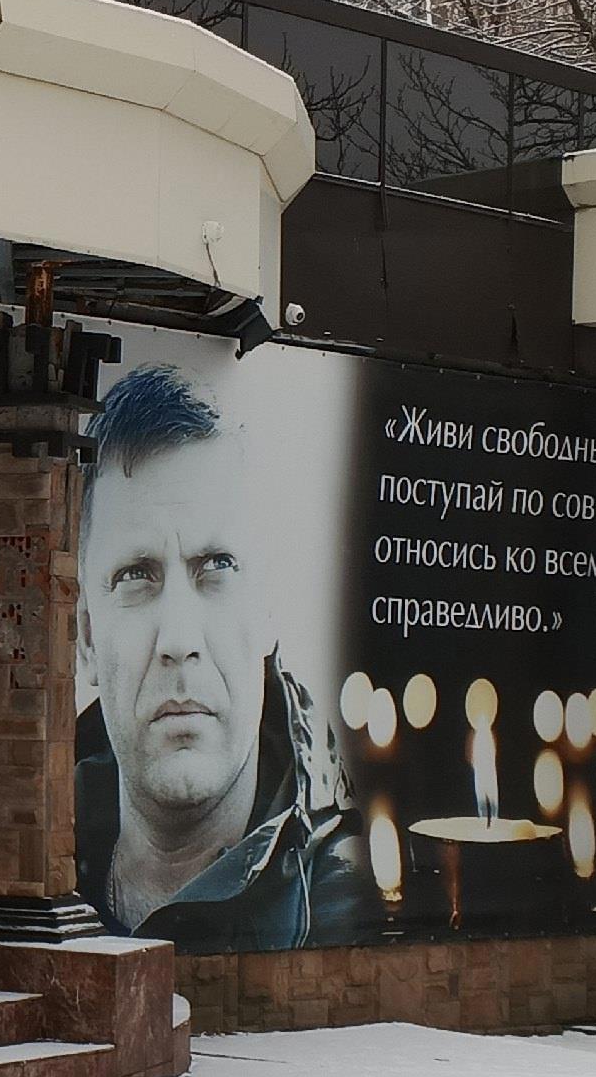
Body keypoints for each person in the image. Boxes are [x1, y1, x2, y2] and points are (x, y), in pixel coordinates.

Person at [73, 364, 376, 951]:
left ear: (267, 614)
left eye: (216, 567)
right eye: (136, 575)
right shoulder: (27, 866)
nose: (178, 639)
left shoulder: (352, 905)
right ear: (86, 637)